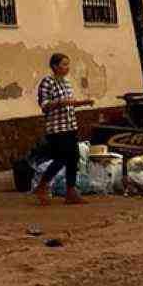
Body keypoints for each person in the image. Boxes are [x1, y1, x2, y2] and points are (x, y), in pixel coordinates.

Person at [33, 53, 94, 205]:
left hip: (70, 125)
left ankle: (71, 191)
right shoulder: (47, 82)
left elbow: (70, 103)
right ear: (55, 66)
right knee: (61, 157)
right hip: (56, 127)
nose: (67, 68)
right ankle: (43, 184)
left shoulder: (66, 83)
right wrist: (59, 102)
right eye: (64, 64)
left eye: (68, 64)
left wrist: (83, 103)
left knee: (74, 157)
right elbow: (44, 105)